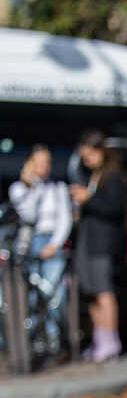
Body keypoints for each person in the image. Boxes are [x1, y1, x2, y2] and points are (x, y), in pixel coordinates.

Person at [8, 145, 72, 353]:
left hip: (52, 242)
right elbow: (28, 215)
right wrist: (33, 185)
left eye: (46, 162)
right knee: (33, 296)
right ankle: (34, 340)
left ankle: (54, 340)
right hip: (31, 243)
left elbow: (65, 218)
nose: (43, 167)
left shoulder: (58, 187)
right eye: (38, 162)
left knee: (53, 293)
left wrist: (54, 244)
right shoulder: (19, 188)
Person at [69, 131, 127, 362]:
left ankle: (111, 341)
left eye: (89, 155)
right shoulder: (90, 176)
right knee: (91, 293)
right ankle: (99, 341)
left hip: (102, 244)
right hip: (87, 240)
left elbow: (115, 208)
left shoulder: (112, 177)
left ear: (101, 152)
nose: (87, 160)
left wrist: (88, 200)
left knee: (104, 292)